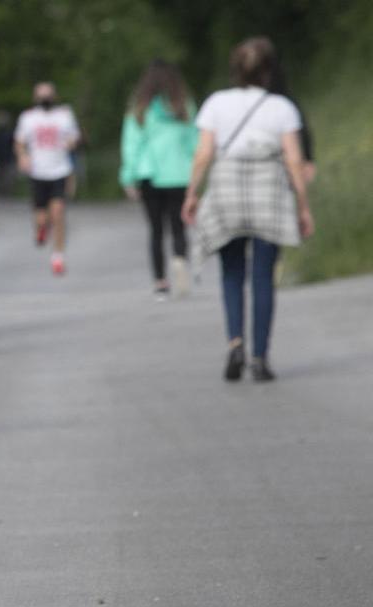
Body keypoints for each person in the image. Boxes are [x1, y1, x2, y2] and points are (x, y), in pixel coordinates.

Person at [182, 36, 314, 382]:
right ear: (268, 70)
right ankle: (259, 357)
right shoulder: (281, 107)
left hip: (226, 186)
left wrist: (192, 193)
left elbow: (204, 154)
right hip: (269, 188)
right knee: (262, 276)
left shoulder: (216, 103)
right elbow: (294, 159)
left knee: (231, 272)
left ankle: (235, 344)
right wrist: (303, 206)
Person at [119, 59, 199, 300]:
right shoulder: (183, 106)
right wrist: (196, 176)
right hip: (179, 173)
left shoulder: (140, 108)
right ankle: (179, 258)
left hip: (150, 174)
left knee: (155, 230)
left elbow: (132, 144)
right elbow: (194, 143)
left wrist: (128, 176)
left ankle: (161, 283)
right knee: (178, 225)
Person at [15, 81, 80, 275]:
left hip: (59, 170)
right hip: (38, 172)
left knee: (58, 212)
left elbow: (75, 137)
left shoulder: (64, 115)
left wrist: (71, 142)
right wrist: (22, 156)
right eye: (41, 95)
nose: (45, 99)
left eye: (48, 95)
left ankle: (58, 257)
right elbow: (19, 142)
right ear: (35, 98)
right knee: (41, 218)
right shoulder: (28, 118)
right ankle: (42, 228)